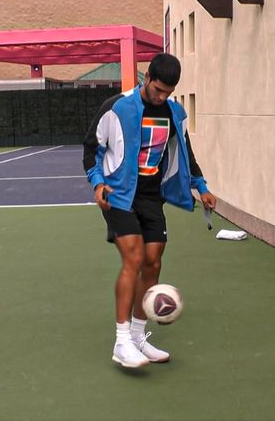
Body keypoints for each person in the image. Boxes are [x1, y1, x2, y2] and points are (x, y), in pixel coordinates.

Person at [83, 53, 217, 368]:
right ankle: (121, 341)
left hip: (151, 195)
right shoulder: (117, 107)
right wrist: (98, 184)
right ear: (146, 78)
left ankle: (139, 336)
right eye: (157, 89)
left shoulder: (173, 113)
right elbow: (92, 148)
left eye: (168, 92)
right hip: (119, 194)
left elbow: (184, 152)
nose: (161, 97)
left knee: (153, 262)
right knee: (133, 258)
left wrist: (202, 186)